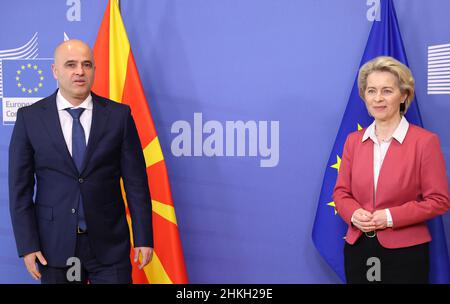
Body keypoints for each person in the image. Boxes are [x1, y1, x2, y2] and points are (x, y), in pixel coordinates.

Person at [9, 39, 153, 284]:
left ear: (94, 69)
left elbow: (136, 184)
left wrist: (143, 238)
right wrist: (27, 245)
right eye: (71, 64)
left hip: (110, 246)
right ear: (55, 71)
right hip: (53, 248)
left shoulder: (119, 116)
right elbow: (19, 189)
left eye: (87, 64)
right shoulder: (29, 118)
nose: (79, 71)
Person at [333, 56, 450, 284]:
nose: (377, 98)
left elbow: (439, 200)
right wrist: (354, 213)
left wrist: (389, 217)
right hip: (359, 248)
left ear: (404, 95)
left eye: (387, 91)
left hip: (405, 252)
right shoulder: (353, 141)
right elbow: (341, 193)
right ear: (364, 96)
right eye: (371, 91)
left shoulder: (424, 142)